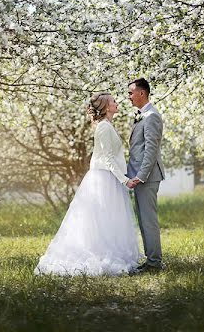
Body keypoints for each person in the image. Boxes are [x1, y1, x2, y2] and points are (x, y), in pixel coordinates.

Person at [34, 93, 141, 276]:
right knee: (101, 219)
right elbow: (107, 158)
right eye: (113, 101)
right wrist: (124, 180)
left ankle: (109, 252)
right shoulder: (104, 128)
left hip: (107, 177)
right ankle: (98, 255)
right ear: (107, 107)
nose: (117, 103)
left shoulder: (106, 126)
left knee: (107, 220)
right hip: (104, 178)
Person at [126, 77, 165, 274]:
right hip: (138, 176)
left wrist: (140, 176)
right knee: (143, 220)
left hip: (147, 177)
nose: (129, 97)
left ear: (142, 93)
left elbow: (151, 150)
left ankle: (155, 263)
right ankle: (151, 260)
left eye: (131, 93)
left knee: (148, 221)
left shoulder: (151, 117)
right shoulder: (142, 115)